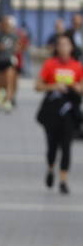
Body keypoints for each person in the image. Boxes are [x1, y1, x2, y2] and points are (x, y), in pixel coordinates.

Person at [36, 32, 82, 195]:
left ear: (71, 47)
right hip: (52, 110)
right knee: (52, 146)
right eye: (60, 44)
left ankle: (63, 180)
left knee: (67, 146)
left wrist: (76, 87)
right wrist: (54, 86)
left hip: (69, 110)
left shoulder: (77, 66)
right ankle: (50, 168)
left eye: (66, 44)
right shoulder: (50, 65)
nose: (63, 48)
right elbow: (38, 86)